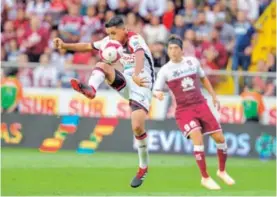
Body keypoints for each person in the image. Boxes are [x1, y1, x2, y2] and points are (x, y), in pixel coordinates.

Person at [53, 16, 154, 188]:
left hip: (143, 83)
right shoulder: (110, 41)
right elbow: (87, 46)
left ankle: (143, 167)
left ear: (123, 29)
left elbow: (138, 55)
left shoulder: (134, 39)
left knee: (137, 127)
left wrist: (137, 73)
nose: (112, 37)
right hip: (128, 81)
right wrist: (65, 46)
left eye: (114, 33)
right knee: (103, 65)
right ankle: (91, 89)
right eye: (109, 34)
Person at [153, 35, 235, 190]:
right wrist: (158, 94)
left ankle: (222, 171)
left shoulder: (193, 62)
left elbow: (204, 79)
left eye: (175, 48)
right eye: (170, 49)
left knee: (220, 138)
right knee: (197, 136)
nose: (173, 51)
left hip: (201, 105)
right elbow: (156, 89)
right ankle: (205, 177)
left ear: (182, 50)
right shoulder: (165, 70)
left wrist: (214, 96)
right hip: (184, 110)